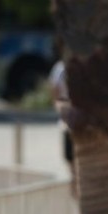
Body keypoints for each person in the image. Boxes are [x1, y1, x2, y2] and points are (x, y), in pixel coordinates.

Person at [48, 52, 76, 198]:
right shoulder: (60, 68)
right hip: (68, 122)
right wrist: (63, 109)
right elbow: (55, 91)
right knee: (71, 164)